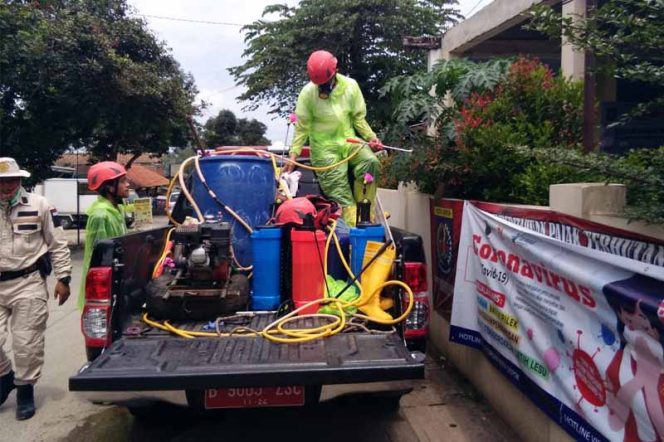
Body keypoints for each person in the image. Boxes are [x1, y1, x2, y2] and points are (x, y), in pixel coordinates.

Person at [0, 157, 72, 420]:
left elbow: (58, 245)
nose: (7, 185)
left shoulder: (40, 206)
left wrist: (63, 278)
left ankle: (24, 389)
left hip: (27, 282)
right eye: (2, 181)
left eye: (12, 180)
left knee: (26, 342)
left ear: (20, 180)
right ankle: (5, 375)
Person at [284, 50, 383, 227]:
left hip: (349, 141)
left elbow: (358, 119)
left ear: (335, 71)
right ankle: (353, 230)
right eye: (319, 85)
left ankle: (366, 213)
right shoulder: (307, 94)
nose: (323, 89)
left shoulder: (351, 86)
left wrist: (372, 138)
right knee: (340, 194)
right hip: (324, 150)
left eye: (325, 83)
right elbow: (302, 128)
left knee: (371, 163)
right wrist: (293, 156)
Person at [78, 161, 130, 309]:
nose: (128, 185)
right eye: (122, 181)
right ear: (109, 187)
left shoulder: (116, 210)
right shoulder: (101, 215)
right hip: (104, 286)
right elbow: (100, 257)